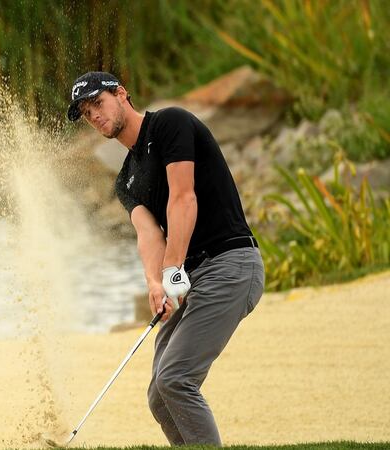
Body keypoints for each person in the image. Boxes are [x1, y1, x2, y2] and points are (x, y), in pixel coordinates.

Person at [66, 71, 265, 446]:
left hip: (231, 264)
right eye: (85, 111)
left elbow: (183, 197)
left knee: (176, 379)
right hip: (192, 276)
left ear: (121, 94)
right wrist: (156, 282)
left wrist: (173, 268)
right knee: (160, 396)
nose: (93, 115)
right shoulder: (125, 180)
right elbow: (148, 233)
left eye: (97, 103)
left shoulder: (171, 124)